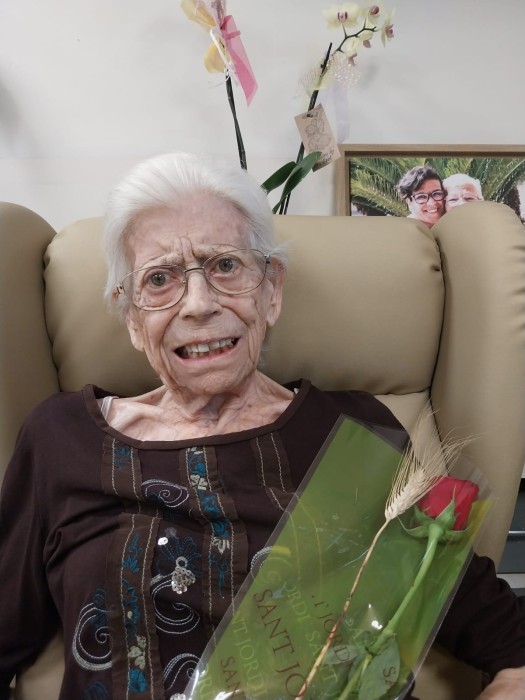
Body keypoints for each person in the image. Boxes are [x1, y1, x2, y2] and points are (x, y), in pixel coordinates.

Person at [0, 152, 524, 700]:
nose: (199, 304)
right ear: (132, 316)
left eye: (225, 266)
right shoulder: (63, 440)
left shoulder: (352, 430)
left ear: (271, 289)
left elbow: (503, 636)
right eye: (159, 279)